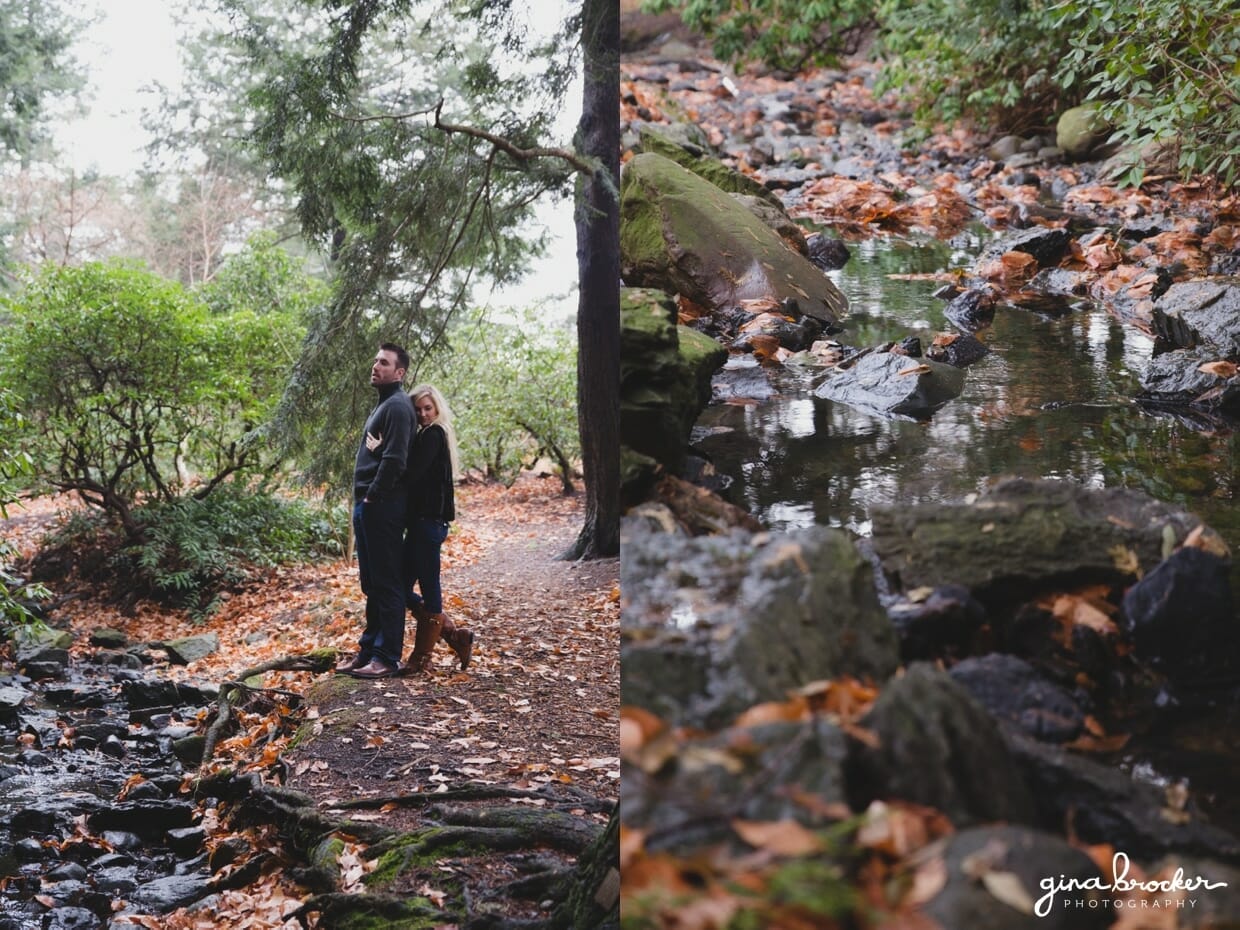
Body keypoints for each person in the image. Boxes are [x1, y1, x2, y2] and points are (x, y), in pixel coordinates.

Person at [370, 383, 473, 672]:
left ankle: (421, 659)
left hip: (428, 524)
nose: (424, 414)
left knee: (429, 587)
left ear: (437, 409)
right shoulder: (424, 435)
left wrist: (381, 453)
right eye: (418, 410)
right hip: (420, 524)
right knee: (400, 588)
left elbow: (410, 474)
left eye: (428, 408)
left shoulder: (434, 435)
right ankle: (454, 634)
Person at [336, 343, 416, 680]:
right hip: (369, 505)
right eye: (375, 361)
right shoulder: (384, 405)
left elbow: (396, 460)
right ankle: (369, 650)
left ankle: (387, 657)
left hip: (381, 506)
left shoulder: (397, 407)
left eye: (384, 363)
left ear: (399, 373)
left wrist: (372, 498)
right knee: (372, 582)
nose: (376, 366)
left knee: (387, 582)